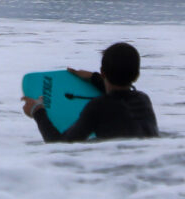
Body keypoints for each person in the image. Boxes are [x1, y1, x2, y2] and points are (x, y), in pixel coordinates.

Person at [22, 42, 158, 141]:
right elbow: (120, 96)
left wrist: (37, 111)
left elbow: (60, 145)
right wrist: (94, 78)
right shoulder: (143, 100)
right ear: (137, 75)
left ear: (103, 72)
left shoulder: (98, 106)